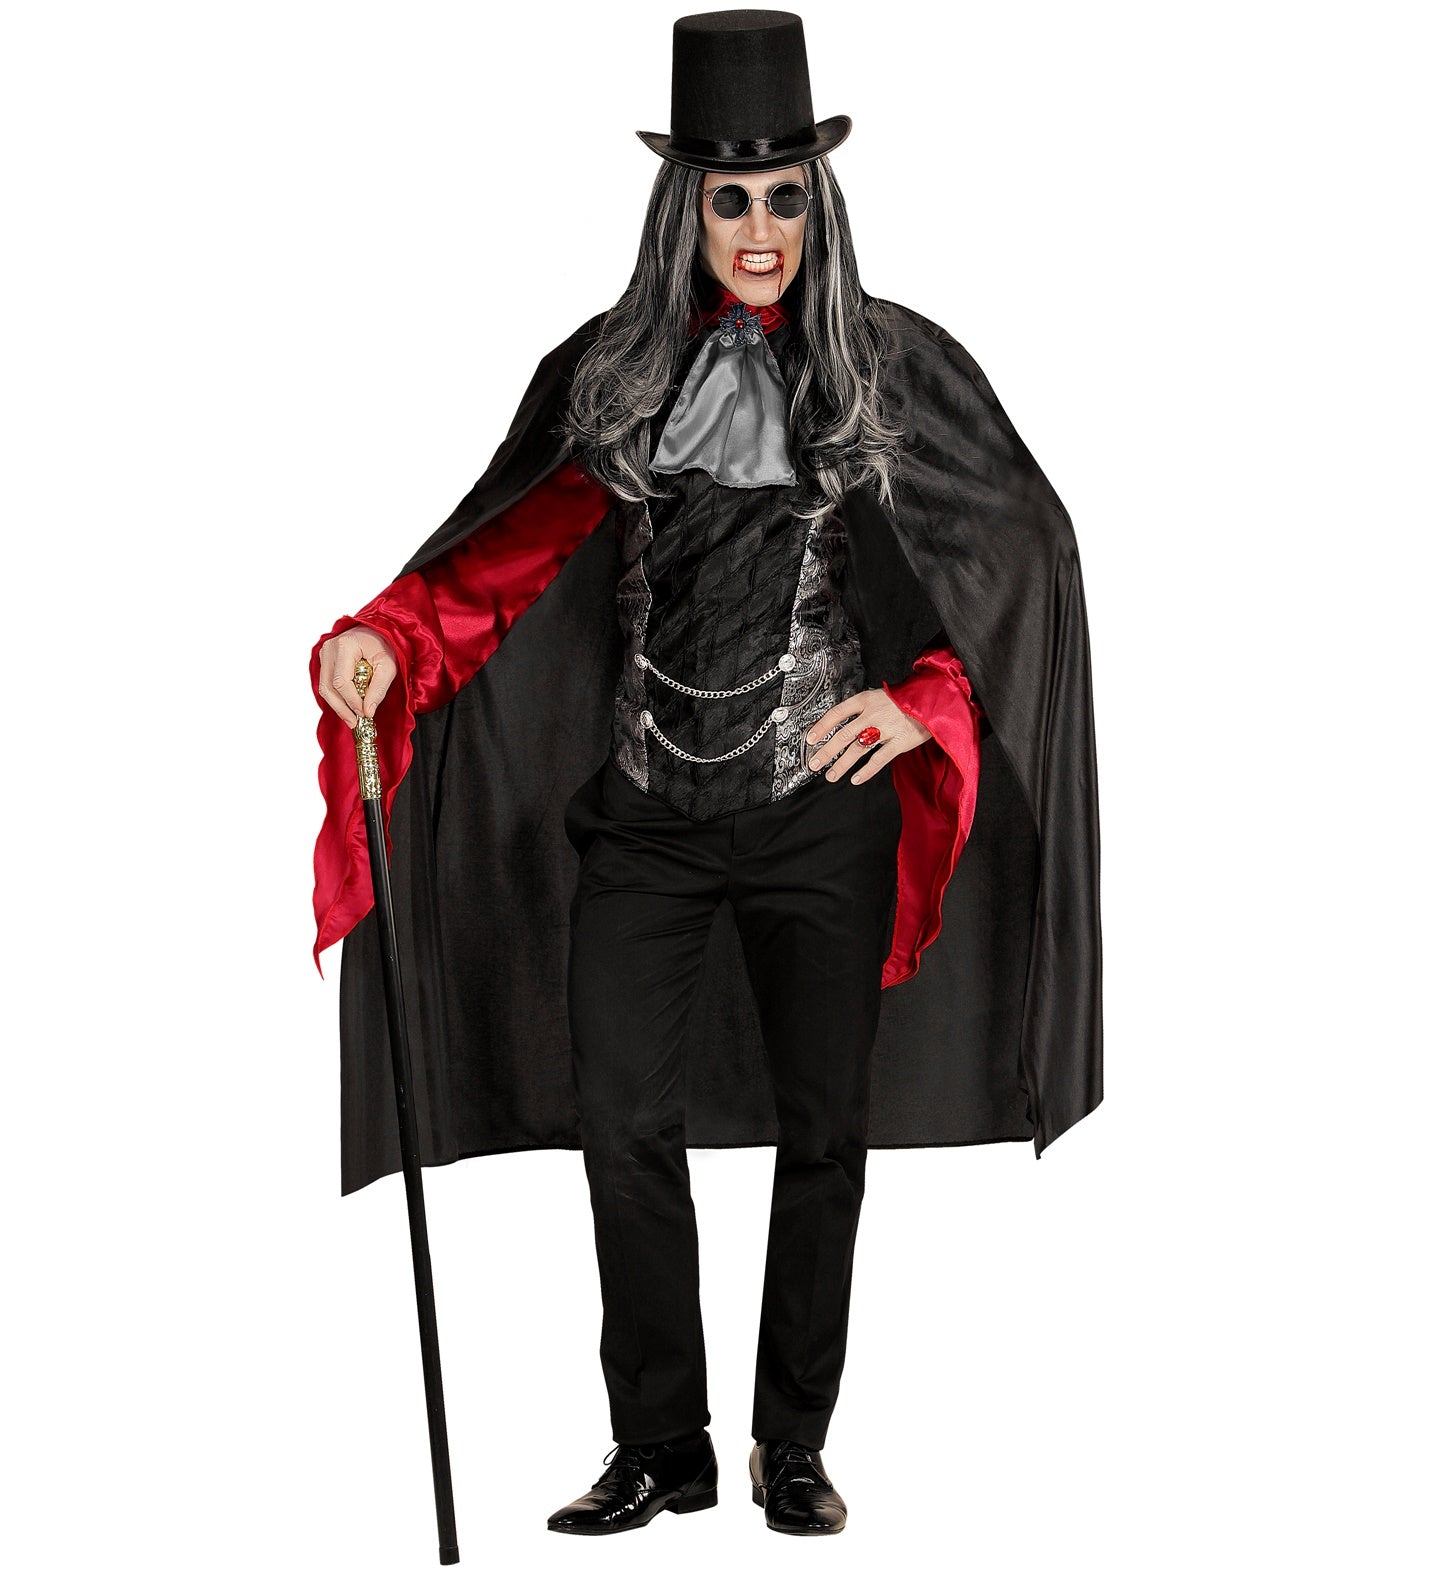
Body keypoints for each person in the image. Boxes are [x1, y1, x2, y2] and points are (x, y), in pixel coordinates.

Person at [311, 8, 1103, 1540]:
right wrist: (382, 643)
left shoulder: (887, 374)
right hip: (647, 820)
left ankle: (789, 1446)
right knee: (622, 1130)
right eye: (728, 197)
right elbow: (494, 564)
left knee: (825, 1136)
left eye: (783, 196)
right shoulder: (611, 377)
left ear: (819, 203)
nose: (757, 228)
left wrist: (919, 706)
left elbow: (1009, 565)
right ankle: (660, 1445)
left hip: (820, 821)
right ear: (683, 205)